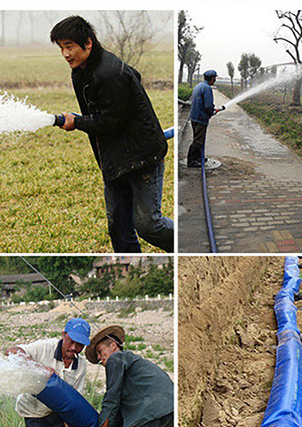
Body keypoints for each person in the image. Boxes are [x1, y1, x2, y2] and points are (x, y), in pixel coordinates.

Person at [50, 16, 173, 253]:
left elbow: (111, 121)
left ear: (88, 43)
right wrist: (82, 121)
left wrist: (77, 122)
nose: (65, 54)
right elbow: (130, 80)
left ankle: (184, 245)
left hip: (142, 158)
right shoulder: (81, 70)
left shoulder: (109, 73)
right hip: (115, 159)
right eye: (61, 48)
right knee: (118, 227)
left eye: (70, 47)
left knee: (148, 225)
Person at [6, 317, 101, 427]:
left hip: (59, 415)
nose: (74, 348)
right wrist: (39, 367)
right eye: (71, 341)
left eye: (79, 345)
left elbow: (74, 398)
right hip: (34, 414)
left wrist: (69, 425)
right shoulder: (45, 347)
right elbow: (12, 351)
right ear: (64, 335)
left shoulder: (80, 365)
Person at [187, 70, 224, 167]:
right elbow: (208, 105)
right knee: (198, 141)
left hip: (194, 117)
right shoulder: (207, 88)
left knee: (198, 138)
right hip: (201, 118)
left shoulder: (199, 86)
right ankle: (191, 161)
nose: (215, 80)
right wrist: (211, 112)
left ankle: (199, 157)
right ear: (212, 79)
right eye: (214, 78)